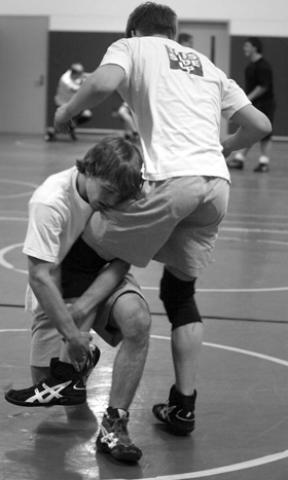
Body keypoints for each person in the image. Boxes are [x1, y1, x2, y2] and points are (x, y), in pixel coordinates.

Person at [54, 1, 271, 440]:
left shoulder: (133, 47)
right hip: (216, 187)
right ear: (174, 32)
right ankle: (182, 407)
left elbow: (101, 84)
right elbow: (260, 125)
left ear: (135, 30)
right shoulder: (206, 64)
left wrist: (64, 113)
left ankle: (67, 371)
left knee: (82, 254)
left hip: (169, 181)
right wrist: (221, 150)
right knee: (179, 291)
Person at [5, 135, 150, 463]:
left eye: (120, 196)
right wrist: (72, 333)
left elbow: (123, 258)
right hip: (59, 282)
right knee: (50, 389)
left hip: (102, 276)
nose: (113, 203)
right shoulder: (50, 201)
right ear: (88, 170)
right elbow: (40, 275)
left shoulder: (128, 195)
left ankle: (115, 422)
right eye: (108, 192)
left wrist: (83, 310)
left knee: (137, 320)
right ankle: (85, 358)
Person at [227, 37, 276, 172]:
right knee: (249, 129)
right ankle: (240, 158)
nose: (244, 48)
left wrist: (247, 98)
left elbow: (263, 86)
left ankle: (264, 162)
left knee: (265, 133)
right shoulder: (250, 67)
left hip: (265, 104)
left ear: (254, 47)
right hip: (253, 103)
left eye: (247, 46)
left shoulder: (264, 66)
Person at [45, 63, 92, 142]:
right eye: (79, 74)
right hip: (62, 104)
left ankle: (71, 126)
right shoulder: (65, 80)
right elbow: (77, 89)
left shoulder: (74, 74)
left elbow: (83, 76)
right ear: (74, 73)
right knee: (63, 122)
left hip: (72, 103)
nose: (80, 76)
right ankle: (52, 133)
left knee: (87, 115)